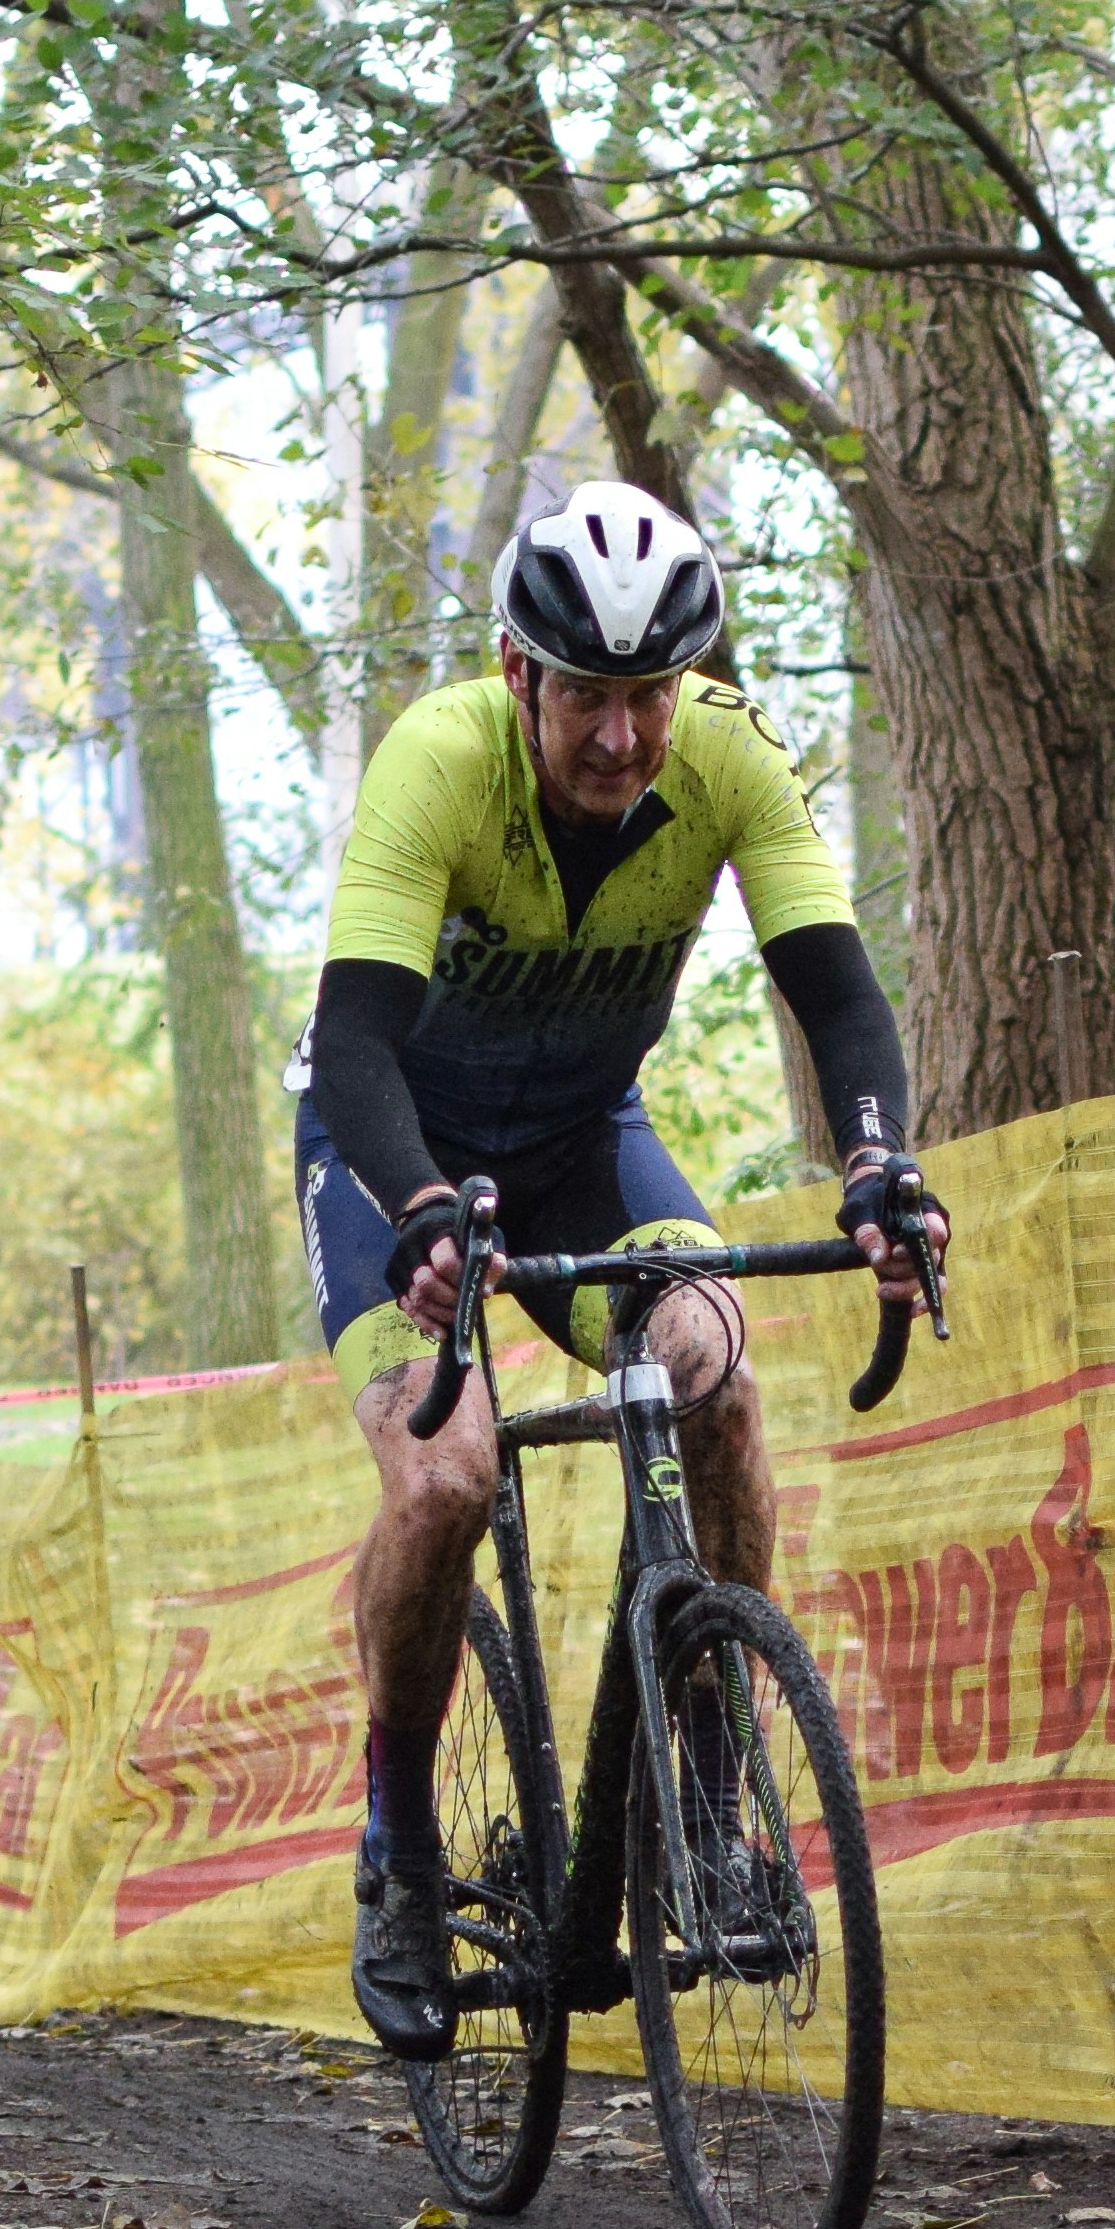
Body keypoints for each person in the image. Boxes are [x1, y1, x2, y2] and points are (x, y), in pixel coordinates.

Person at [296, 478, 941, 2059]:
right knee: (444, 1482)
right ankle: (397, 1851)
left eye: (648, 694)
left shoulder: (726, 753)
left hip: (587, 1136)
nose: (621, 737)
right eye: (587, 694)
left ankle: (703, 1811)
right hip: (392, 1153)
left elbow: (840, 996)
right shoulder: (438, 764)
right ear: (521, 674)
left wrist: (878, 1164)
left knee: (713, 1367)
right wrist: (428, 1205)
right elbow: (359, 1040)